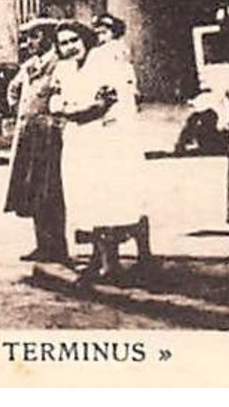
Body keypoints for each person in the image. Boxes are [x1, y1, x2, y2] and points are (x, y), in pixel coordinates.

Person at [51, 19, 147, 283]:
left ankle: (111, 263)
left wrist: (71, 111)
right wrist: (69, 109)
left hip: (106, 139)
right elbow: (54, 100)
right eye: (63, 43)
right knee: (85, 199)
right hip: (77, 141)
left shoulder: (104, 63)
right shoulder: (63, 69)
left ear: (85, 39)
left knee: (108, 197)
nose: (69, 47)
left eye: (73, 40)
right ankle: (97, 258)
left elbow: (103, 104)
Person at [3, 24, 70, 263]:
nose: (29, 42)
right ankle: (42, 244)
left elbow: (64, 96)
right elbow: (13, 88)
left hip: (49, 135)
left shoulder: (58, 65)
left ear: (49, 38)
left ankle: (57, 247)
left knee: (49, 191)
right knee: (32, 190)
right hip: (28, 134)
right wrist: (17, 106)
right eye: (27, 37)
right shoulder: (29, 65)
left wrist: (53, 118)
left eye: (35, 36)